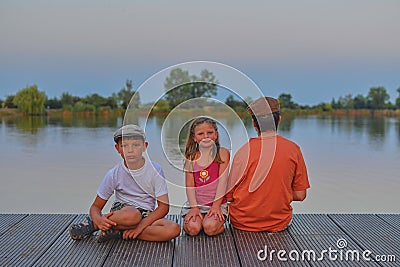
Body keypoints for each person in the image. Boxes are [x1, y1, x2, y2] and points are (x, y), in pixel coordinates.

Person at [69, 124, 180, 242]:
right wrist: (98, 220)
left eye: (136, 145)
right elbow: (95, 207)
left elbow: (163, 207)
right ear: (118, 149)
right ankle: (93, 225)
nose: (130, 150)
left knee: (173, 229)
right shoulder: (114, 174)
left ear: (144, 146)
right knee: (133, 215)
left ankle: (120, 232)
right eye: (125, 146)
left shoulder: (155, 170)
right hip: (124, 213)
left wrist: (140, 227)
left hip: (145, 215)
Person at [227, 97, 310, 232]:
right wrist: (277, 192)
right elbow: (300, 195)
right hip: (278, 223)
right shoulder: (293, 149)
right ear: (279, 120)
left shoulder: (243, 152)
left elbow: (229, 196)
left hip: (242, 223)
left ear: (254, 123)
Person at [182, 117, 230, 236]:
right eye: (200, 134)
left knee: (209, 228)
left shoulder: (222, 154)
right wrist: (193, 208)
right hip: (196, 204)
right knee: (193, 229)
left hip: (217, 203)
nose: (206, 136)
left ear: (216, 135)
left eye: (210, 132)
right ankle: (198, 219)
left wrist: (216, 206)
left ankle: (216, 222)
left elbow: (223, 182)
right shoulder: (191, 157)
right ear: (194, 138)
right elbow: (190, 185)